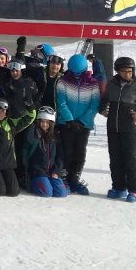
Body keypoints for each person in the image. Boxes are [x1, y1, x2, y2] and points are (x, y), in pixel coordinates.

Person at [100, 56, 136, 202]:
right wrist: (103, 109)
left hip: (130, 128)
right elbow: (104, 100)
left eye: (130, 71)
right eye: (124, 71)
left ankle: (135, 190)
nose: (128, 74)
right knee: (115, 159)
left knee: (131, 159)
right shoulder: (111, 85)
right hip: (113, 128)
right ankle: (119, 187)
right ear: (118, 71)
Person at [55, 54, 101, 195]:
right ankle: (65, 178)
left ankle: (74, 178)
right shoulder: (63, 81)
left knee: (80, 152)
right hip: (66, 123)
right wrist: (69, 120)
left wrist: (82, 122)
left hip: (83, 124)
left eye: (79, 73)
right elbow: (61, 102)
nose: (76, 76)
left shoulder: (92, 83)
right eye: (74, 73)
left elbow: (94, 104)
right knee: (67, 151)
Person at [0, 99, 35, 197]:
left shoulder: (11, 123)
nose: (0, 113)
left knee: (14, 192)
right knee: (0, 191)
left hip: (8, 164)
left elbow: (29, 118)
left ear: (6, 112)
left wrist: (30, 107)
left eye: (3, 111)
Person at [22, 107, 67, 198]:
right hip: (37, 171)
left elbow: (60, 156)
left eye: (47, 122)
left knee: (61, 193)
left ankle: (50, 183)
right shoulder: (34, 134)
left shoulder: (55, 137)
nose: (44, 124)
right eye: (42, 121)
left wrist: (56, 171)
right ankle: (30, 184)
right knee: (47, 193)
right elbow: (27, 144)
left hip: (51, 171)